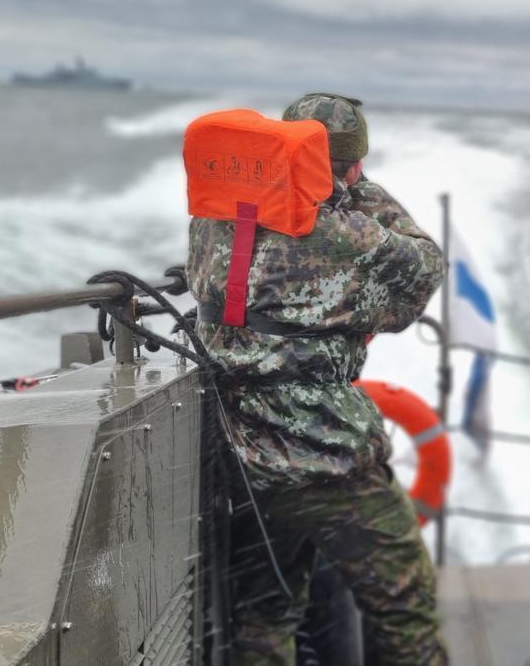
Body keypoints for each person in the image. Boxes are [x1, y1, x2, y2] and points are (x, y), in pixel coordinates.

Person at [187, 93, 447, 665]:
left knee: (262, 616)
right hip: (328, 462)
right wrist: (357, 185)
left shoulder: (213, 222)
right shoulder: (346, 235)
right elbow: (424, 271)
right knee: (404, 608)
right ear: (351, 165)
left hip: (235, 459)